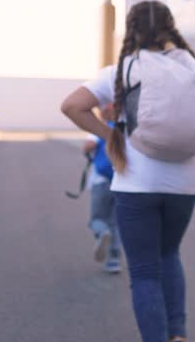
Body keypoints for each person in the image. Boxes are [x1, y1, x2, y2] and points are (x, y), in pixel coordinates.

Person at [61, 0, 195, 342]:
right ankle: (178, 335)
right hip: (185, 184)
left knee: (144, 272)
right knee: (169, 255)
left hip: (136, 184)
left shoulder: (121, 70)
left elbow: (71, 105)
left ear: (132, 30)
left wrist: (113, 137)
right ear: (171, 28)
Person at [82, 102, 121, 274]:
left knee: (96, 219)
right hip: (120, 182)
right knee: (114, 222)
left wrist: (89, 152)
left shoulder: (100, 128)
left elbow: (88, 146)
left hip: (100, 180)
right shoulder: (123, 129)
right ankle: (114, 260)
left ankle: (102, 233)